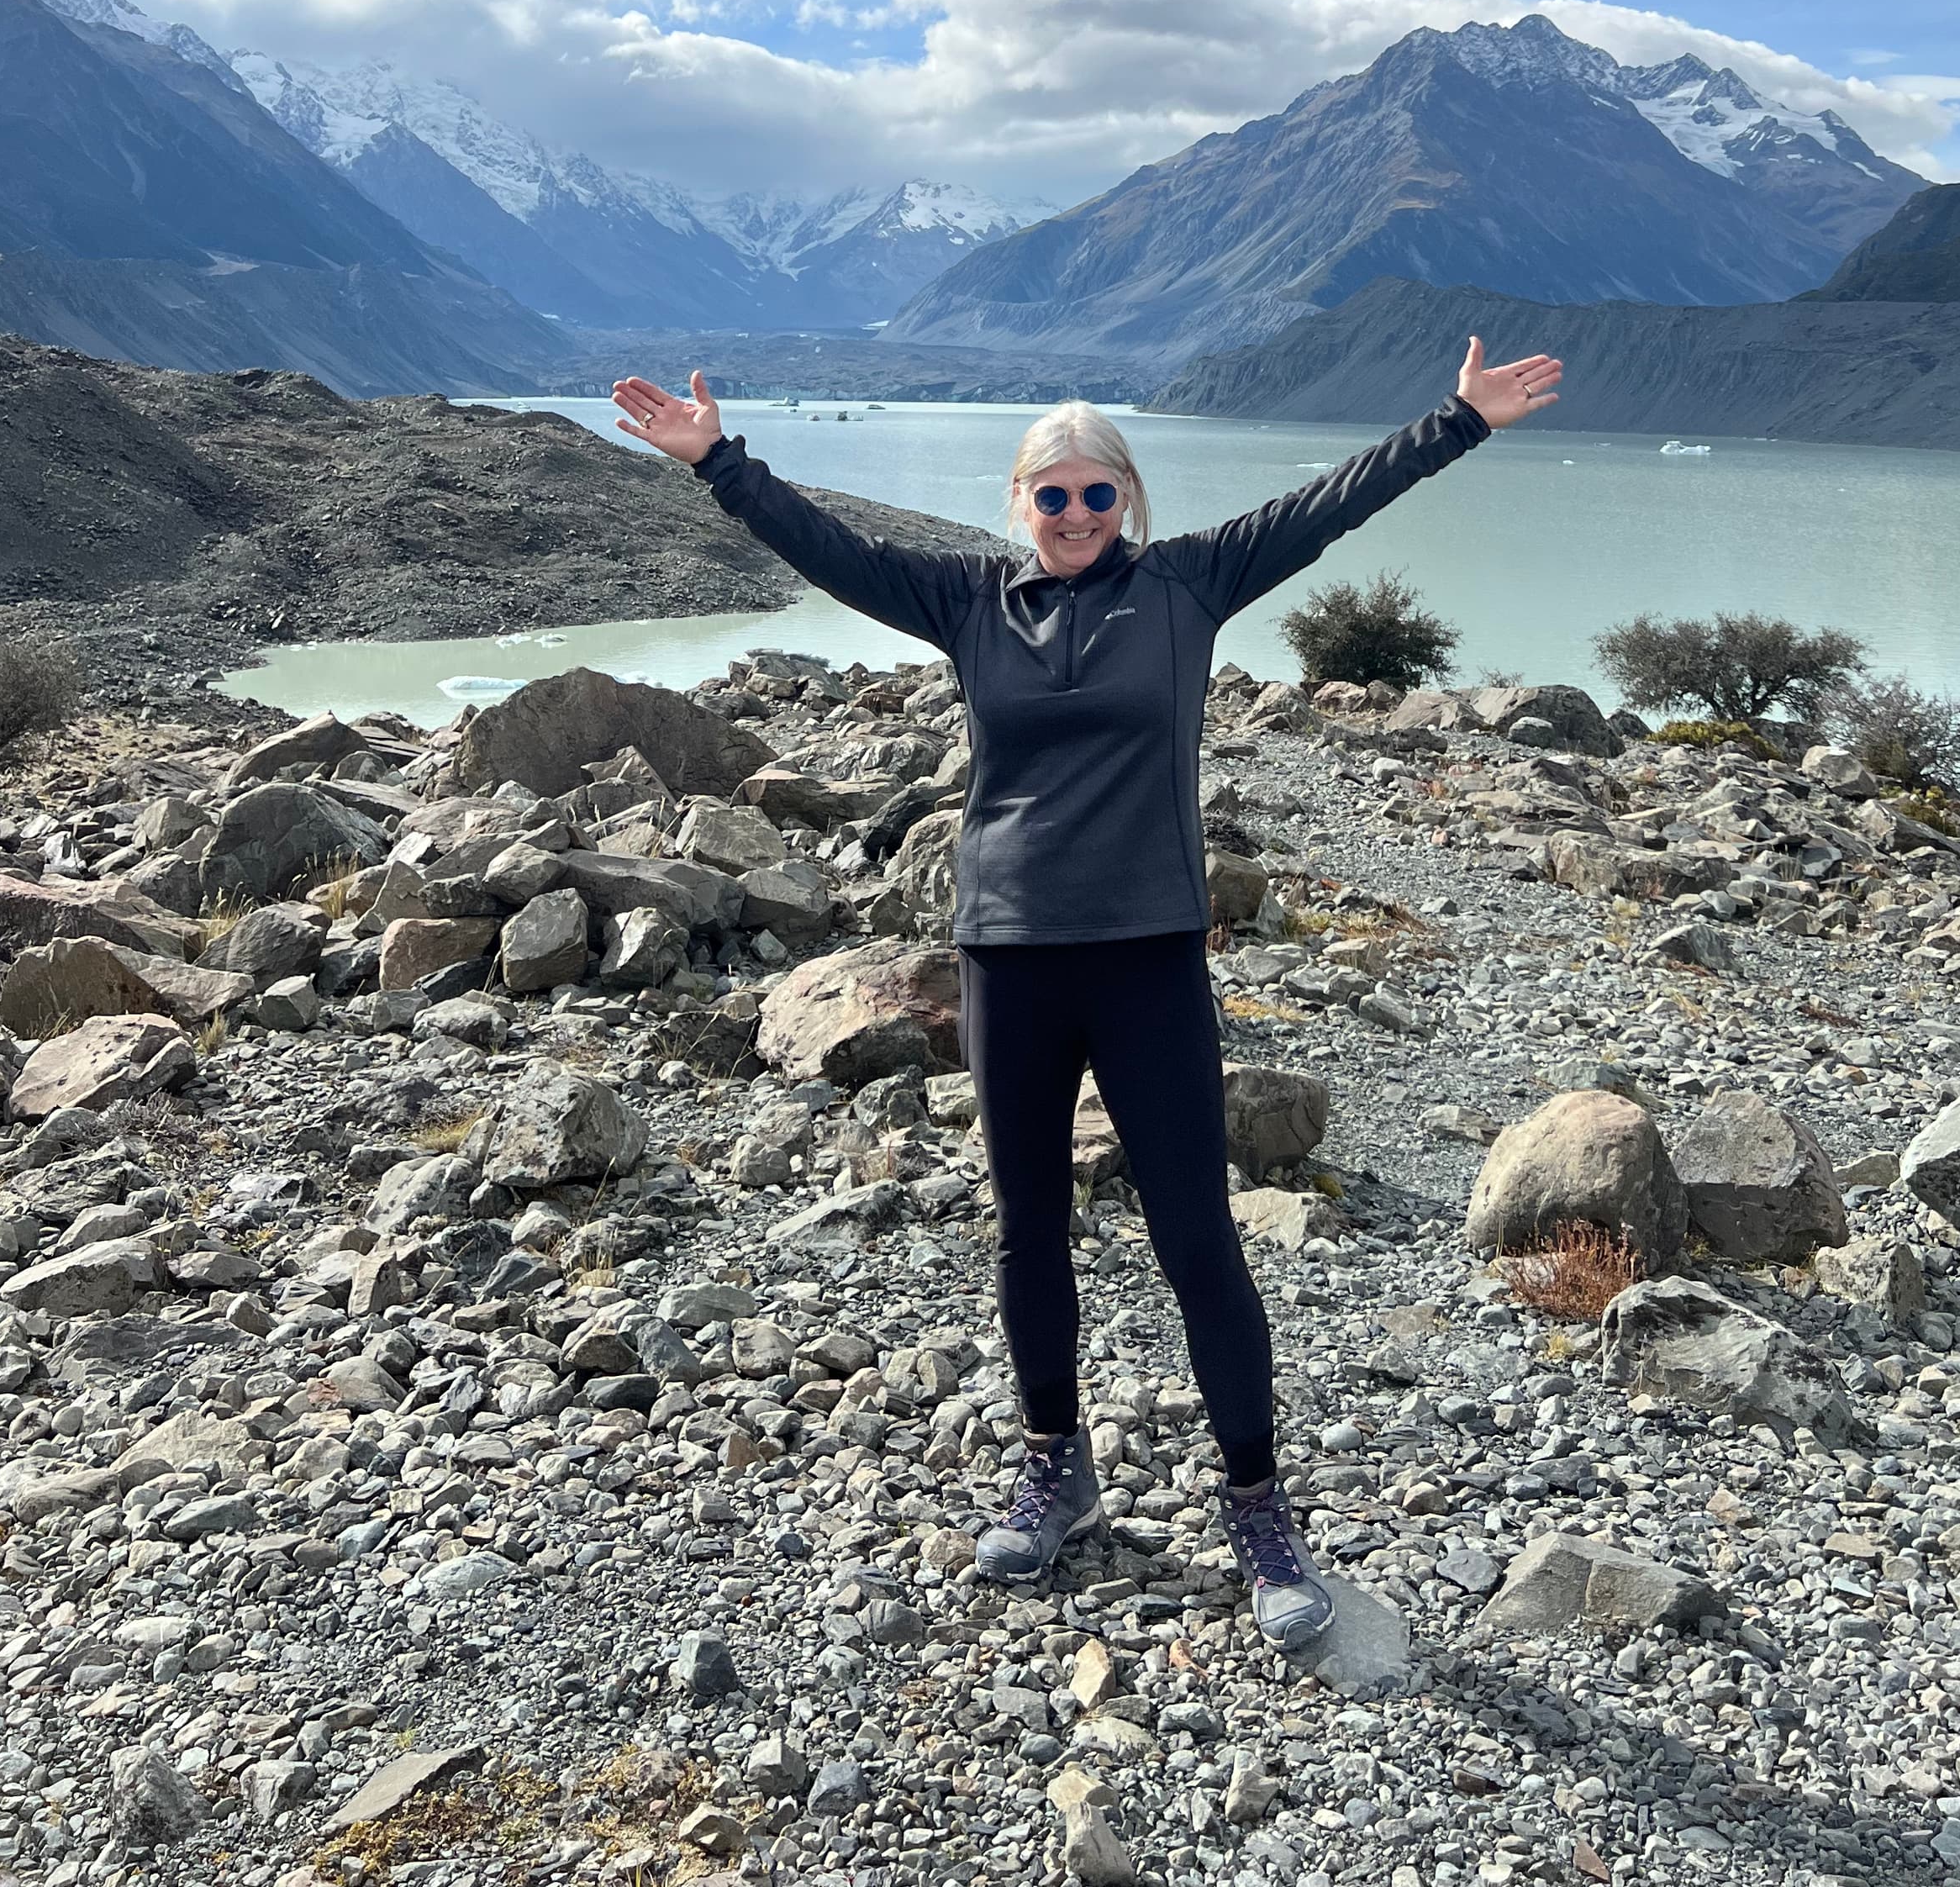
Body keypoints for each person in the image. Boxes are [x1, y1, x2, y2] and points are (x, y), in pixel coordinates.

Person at [611, 336, 1562, 1649]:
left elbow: (1331, 502)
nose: (1073, 516)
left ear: (1130, 503)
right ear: (1020, 507)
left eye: (1096, 495)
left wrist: (1458, 419)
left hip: (1149, 956)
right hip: (1008, 953)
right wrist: (719, 462)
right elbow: (832, 552)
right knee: (1028, 1229)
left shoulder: (1188, 586)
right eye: (1050, 497)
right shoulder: (966, 603)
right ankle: (1055, 1467)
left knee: (1195, 1237)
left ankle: (1259, 1509)